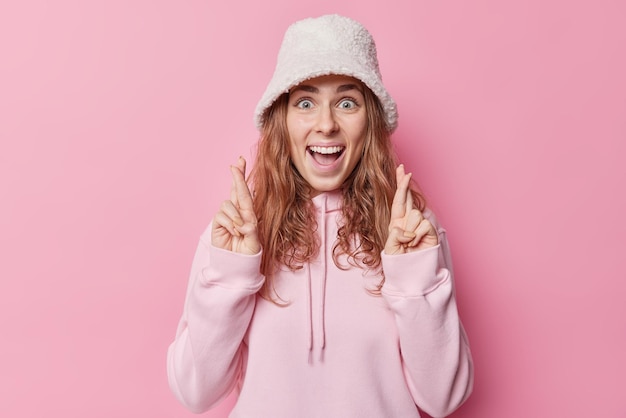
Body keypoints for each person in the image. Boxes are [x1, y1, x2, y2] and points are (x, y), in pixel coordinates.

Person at [167, 14, 473, 417]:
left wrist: (414, 274)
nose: (326, 124)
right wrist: (231, 273)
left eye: (347, 103)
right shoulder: (236, 235)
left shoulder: (414, 232)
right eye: (306, 102)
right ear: (282, 120)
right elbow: (195, 391)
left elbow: (444, 398)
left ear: (371, 122)